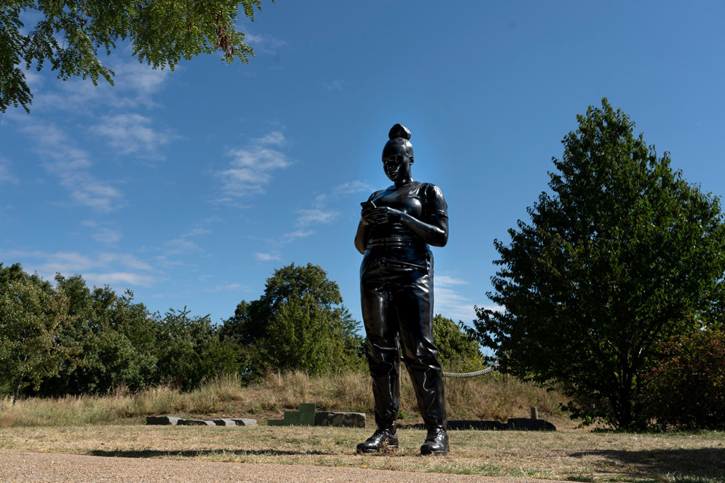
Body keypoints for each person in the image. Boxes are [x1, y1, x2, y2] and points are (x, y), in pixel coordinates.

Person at [354, 123, 449, 456]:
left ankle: (437, 431)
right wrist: (369, 220)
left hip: (412, 271)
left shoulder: (427, 192)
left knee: (419, 349)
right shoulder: (375, 197)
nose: (389, 164)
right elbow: (358, 243)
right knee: (379, 351)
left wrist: (400, 217)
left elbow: (440, 236)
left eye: (395, 157)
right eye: (384, 160)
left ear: (410, 158)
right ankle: (386, 431)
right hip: (373, 272)